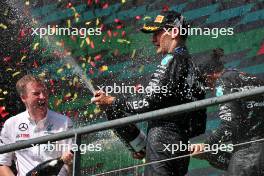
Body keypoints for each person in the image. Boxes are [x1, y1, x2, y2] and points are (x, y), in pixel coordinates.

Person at [91, 11, 207, 176]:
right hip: (179, 144)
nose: (153, 39)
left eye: (157, 33)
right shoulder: (192, 64)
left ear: (174, 32)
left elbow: (148, 101)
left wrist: (111, 101)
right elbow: (197, 122)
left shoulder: (171, 60)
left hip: (163, 140)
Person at [191, 48, 264, 176]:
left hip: (249, 153)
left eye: (203, 82)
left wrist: (206, 145)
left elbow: (230, 125)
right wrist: (209, 154)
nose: (208, 87)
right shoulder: (248, 77)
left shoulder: (222, 83)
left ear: (208, 76)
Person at [0, 75, 73, 176]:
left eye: (44, 92)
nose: (43, 97)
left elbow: (72, 165)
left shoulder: (64, 122)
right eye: (36, 93)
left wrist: (70, 162)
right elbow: (2, 164)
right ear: (23, 97)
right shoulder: (11, 124)